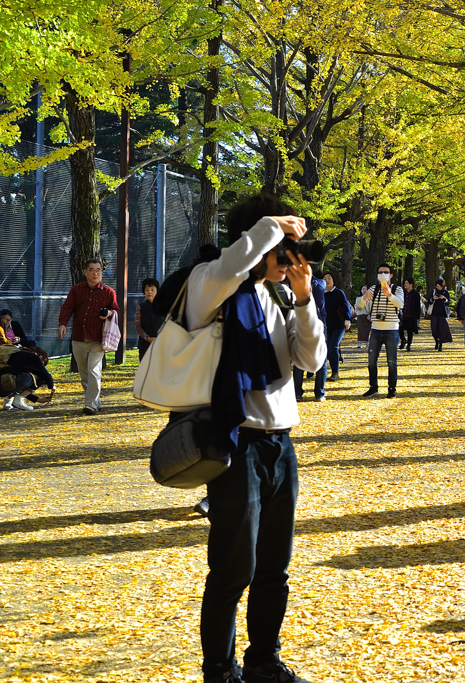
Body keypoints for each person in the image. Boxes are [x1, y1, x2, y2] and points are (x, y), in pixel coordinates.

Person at [183, 193, 325, 683]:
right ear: (256, 239)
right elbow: (232, 266)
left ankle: (264, 660)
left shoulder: (278, 295)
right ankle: (220, 670)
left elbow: (310, 360)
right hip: (236, 442)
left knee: (273, 567)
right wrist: (270, 226)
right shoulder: (211, 285)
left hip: (280, 444)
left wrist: (305, 298)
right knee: (231, 570)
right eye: (282, 248)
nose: (288, 260)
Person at [58, 258, 119, 415]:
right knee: (84, 373)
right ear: (85, 272)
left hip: (98, 339)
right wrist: (62, 324)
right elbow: (67, 308)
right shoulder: (76, 290)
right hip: (78, 338)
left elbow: (117, 311)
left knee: (93, 370)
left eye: (98, 270)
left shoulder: (108, 292)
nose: (95, 273)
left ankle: (90, 404)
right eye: (91, 270)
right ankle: (95, 400)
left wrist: (109, 313)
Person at [357, 264, 403, 398]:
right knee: (371, 361)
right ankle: (373, 387)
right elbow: (360, 304)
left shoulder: (397, 289)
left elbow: (400, 305)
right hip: (375, 329)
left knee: (391, 362)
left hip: (392, 330)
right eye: (380, 272)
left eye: (386, 272)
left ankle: (392, 389)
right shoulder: (374, 288)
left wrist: (390, 295)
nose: (383, 274)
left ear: (391, 275)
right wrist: (364, 298)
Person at [292, 270, 327, 402]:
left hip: (300, 322)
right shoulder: (320, 284)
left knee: (299, 358)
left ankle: (297, 393)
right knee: (321, 358)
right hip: (319, 323)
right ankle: (319, 393)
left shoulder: (293, 285)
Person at [1, 345, 54, 411]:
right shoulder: (34, 357)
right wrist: (52, 386)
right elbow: (46, 375)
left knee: (18, 377)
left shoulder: (18, 354)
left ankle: (8, 402)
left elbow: (21, 388)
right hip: (4, 387)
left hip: (3, 387)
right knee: (39, 377)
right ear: (40, 357)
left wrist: (39, 400)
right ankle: (13, 401)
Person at [322, 272, 351, 381]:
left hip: (339, 324)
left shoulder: (339, 292)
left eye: (329, 278)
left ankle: (335, 373)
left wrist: (348, 320)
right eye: (324, 279)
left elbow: (346, 306)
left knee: (333, 346)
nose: (327, 280)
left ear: (333, 281)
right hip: (326, 325)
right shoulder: (321, 293)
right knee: (327, 348)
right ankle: (322, 371)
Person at [135, 278, 161, 360]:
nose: (150, 292)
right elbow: (138, 326)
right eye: (147, 290)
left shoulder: (164, 306)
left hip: (162, 343)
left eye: (152, 290)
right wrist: (148, 338)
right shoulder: (141, 307)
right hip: (144, 345)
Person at [428, 279, 453, 351]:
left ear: (442, 286)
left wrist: (444, 298)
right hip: (434, 313)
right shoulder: (433, 292)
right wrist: (433, 299)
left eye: (439, 286)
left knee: (442, 330)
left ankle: (440, 345)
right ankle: (436, 341)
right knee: (434, 329)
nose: (438, 288)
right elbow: (429, 301)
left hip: (442, 314)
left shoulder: (445, 292)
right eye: (437, 286)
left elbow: (448, 302)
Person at [399, 277, 421, 352]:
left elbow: (418, 306)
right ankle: (403, 340)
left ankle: (409, 344)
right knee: (400, 329)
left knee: (409, 330)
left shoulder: (415, 294)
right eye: (404, 283)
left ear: (411, 284)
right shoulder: (402, 292)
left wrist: (417, 316)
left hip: (411, 315)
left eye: (406, 283)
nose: (405, 285)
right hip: (403, 314)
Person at [355, 285, 371, 350]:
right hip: (360, 315)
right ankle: (359, 343)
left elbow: (370, 307)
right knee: (360, 329)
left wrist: (370, 314)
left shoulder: (370, 299)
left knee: (367, 329)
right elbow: (356, 305)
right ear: (361, 290)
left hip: (367, 315)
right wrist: (357, 307)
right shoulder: (358, 298)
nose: (364, 290)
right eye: (363, 289)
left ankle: (367, 342)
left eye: (365, 289)